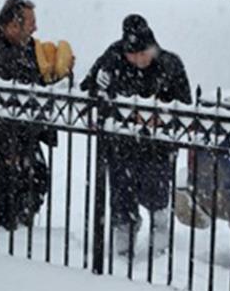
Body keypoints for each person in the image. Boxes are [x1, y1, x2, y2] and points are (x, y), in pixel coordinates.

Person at [81, 14, 192, 257]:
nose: (140, 59)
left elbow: (185, 108)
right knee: (121, 193)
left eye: (144, 53)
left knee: (157, 194)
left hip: (158, 149)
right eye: (134, 54)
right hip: (120, 145)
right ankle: (123, 238)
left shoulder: (170, 64)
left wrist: (161, 118)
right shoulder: (113, 58)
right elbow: (86, 91)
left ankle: (159, 240)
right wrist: (97, 83)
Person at [0, 0, 62, 230]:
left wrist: (55, 74)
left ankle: (18, 221)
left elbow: (34, 82)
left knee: (35, 178)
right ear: (13, 25)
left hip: (23, 130)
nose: (35, 27)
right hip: (2, 136)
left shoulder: (25, 46)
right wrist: (9, 148)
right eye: (31, 22)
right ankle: (7, 233)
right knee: (12, 185)